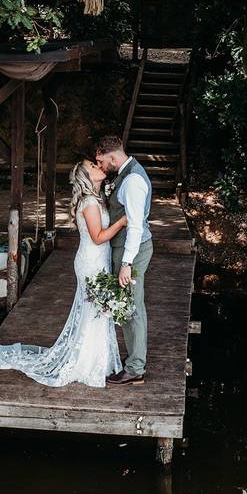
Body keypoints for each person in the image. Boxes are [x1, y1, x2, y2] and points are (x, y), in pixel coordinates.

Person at [0, 158, 128, 387]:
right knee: (94, 310)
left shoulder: (96, 199)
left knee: (96, 311)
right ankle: (87, 364)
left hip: (98, 260)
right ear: (87, 177)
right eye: (93, 167)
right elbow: (98, 237)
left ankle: (98, 360)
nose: (99, 167)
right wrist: (122, 222)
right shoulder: (89, 203)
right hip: (91, 262)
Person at [94, 135, 152, 385]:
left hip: (134, 250)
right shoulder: (124, 175)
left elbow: (136, 227)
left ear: (113, 157)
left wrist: (127, 263)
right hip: (127, 248)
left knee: (132, 307)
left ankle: (136, 368)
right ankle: (133, 361)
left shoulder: (133, 181)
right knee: (127, 305)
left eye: (101, 161)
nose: (101, 166)